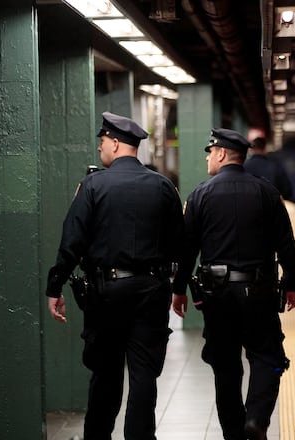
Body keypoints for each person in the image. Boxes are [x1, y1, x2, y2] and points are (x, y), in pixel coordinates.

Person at [45, 112, 185, 440]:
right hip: (152, 290)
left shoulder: (94, 185)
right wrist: (175, 285)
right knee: (144, 377)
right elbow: (180, 244)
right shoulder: (164, 187)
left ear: (116, 143)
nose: (100, 149)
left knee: (106, 375)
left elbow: (72, 241)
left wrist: (56, 284)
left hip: (106, 293)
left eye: (103, 142)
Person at [171, 128, 295, 440]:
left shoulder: (200, 195)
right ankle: (256, 419)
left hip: (217, 295)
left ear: (220, 154)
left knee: (225, 364)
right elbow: (286, 243)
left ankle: (234, 432)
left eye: (209, 153)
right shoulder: (267, 192)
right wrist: (293, 282)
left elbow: (187, 248)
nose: (207, 159)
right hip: (260, 292)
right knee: (267, 357)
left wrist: (177, 290)